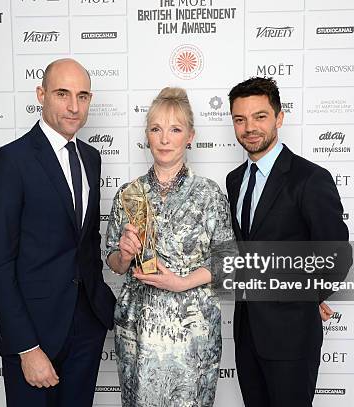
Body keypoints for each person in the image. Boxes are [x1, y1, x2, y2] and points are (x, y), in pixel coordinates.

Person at [0, 58, 116, 407]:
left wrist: (98, 310)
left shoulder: (91, 157)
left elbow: (85, 242)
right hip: (34, 333)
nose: (74, 106)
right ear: (41, 94)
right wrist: (27, 348)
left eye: (83, 96)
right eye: (62, 93)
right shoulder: (9, 162)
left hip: (86, 327)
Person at [105, 87, 235, 406]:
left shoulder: (209, 194)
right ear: (147, 136)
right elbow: (113, 262)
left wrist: (182, 283)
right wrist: (122, 254)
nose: (164, 139)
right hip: (138, 328)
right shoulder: (129, 194)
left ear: (190, 136)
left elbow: (227, 260)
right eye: (156, 129)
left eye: (175, 129)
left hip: (192, 331)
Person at [225, 77, 350, 406]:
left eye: (260, 116)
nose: (250, 127)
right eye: (240, 119)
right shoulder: (235, 180)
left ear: (279, 118)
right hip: (247, 332)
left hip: (292, 337)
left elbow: (337, 256)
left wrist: (306, 298)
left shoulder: (309, 179)